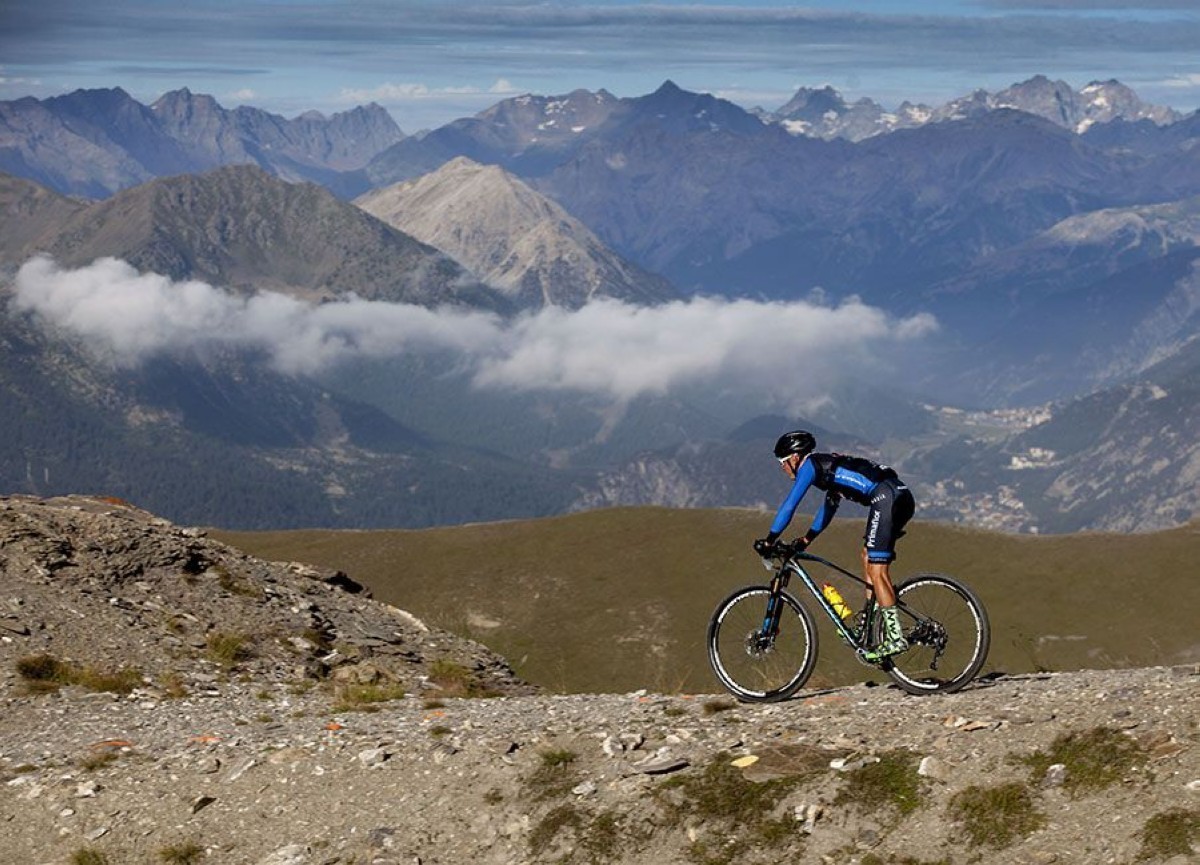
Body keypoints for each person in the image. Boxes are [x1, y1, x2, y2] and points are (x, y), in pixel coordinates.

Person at [754, 429, 915, 661]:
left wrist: (770, 539)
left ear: (795, 457)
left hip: (886, 497)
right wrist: (808, 538)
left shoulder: (809, 466)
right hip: (897, 495)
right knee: (868, 556)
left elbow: (790, 505)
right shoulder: (827, 467)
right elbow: (829, 507)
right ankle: (868, 624)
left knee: (878, 570)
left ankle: (895, 637)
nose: (782, 467)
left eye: (783, 461)